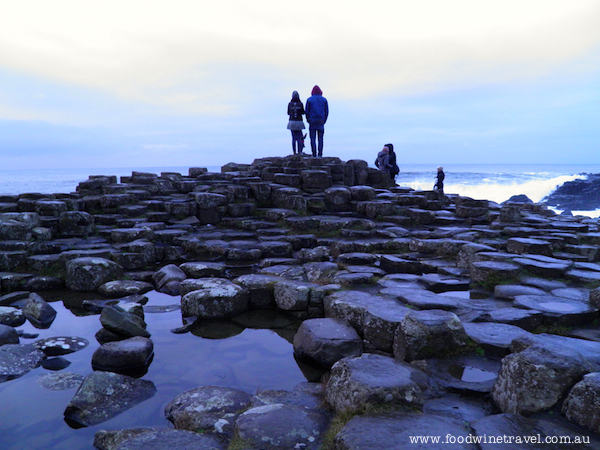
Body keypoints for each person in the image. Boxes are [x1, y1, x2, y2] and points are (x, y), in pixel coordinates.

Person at [305, 85, 329, 157]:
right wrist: (324, 120)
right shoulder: (324, 100)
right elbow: (327, 111)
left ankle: (314, 154)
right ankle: (320, 154)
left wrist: (308, 120)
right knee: (320, 138)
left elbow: (307, 111)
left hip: (312, 120)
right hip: (321, 120)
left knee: (312, 138)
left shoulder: (309, 100)